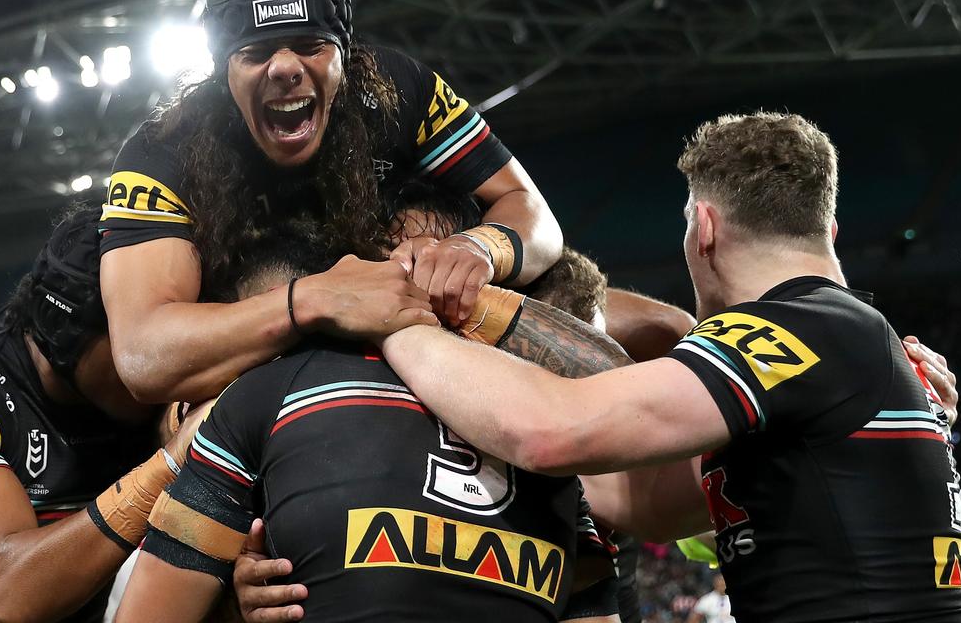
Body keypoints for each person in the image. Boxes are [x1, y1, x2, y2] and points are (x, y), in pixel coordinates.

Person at [375, 112, 961, 621]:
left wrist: (396, 317)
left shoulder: (797, 332)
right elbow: (650, 505)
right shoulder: (861, 344)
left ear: (703, 229)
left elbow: (551, 430)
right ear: (830, 231)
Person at [99, 0, 564, 406]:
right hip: (250, 369)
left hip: (399, 322)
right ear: (224, 73)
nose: (284, 67)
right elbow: (143, 355)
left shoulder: (401, 89)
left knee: (603, 310)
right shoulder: (162, 151)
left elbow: (535, 215)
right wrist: (316, 300)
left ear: (344, 54)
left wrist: (479, 247)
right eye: (256, 53)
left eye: (309, 45)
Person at [114, 218, 619, 623]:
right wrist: (228, 597)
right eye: (404, 257)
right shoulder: (265, 398)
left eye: (440, 256)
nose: (421, 270)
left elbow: (612, 394)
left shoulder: (538, 428)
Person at [0, 206, 207, 623]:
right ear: (63, 326)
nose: (164, 356)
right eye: (139, 333)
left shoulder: (145, 402)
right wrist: (169, 464)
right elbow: (6, 594)